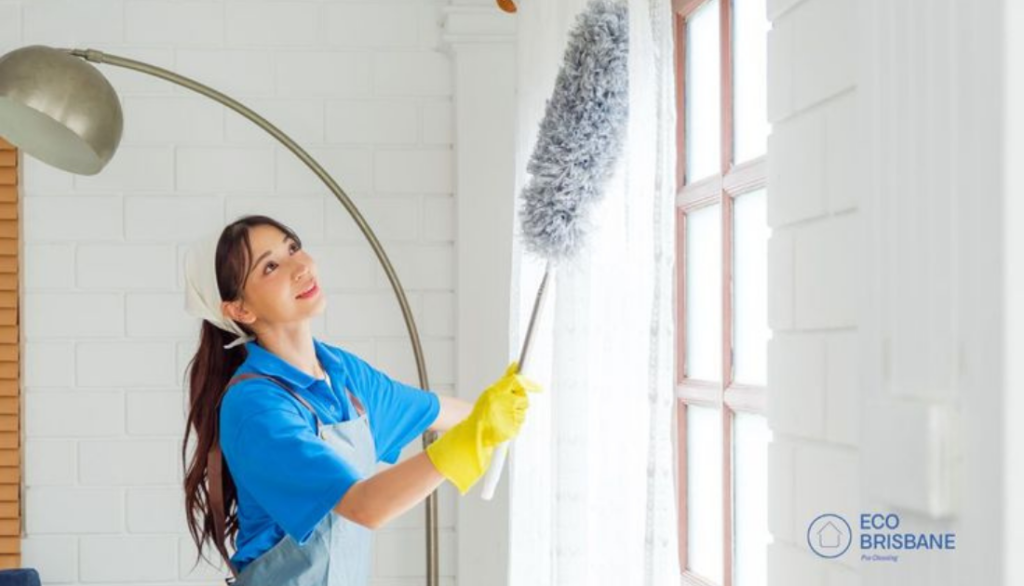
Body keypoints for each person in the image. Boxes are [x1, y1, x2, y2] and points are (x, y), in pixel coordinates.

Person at [181, 215, 541, 585]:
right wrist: (464, 445)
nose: (301, 266)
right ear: (241, 310)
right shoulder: (255, 405)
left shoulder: (343, 375)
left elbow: (433, 411)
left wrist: (493, 407)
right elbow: (364, 505)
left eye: (293, 248)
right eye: (271, 266)